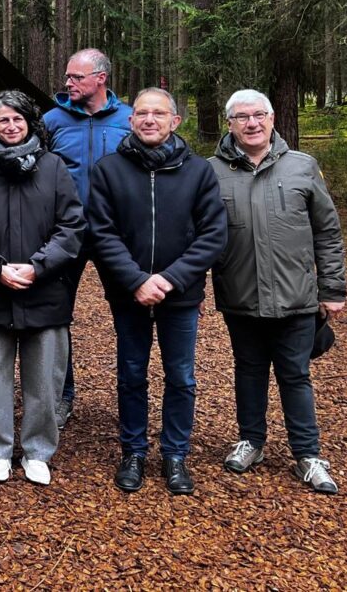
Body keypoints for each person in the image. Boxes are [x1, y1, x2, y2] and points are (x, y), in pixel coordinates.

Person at [87, 88, 227, 495]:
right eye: (142, 113)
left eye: (159, 113)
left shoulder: (198, 171)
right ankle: (133, 451)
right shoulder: (108, 170)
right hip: (128, 294)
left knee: (181, 376)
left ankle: (175, 454)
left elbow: (213, 234)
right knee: (131, 374)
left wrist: (169, 279)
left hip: (179, 295)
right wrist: (136, 280)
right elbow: (101, 232)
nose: (150, 120)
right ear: (130, 120)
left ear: (174, 121)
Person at [210, 90, 347, 494]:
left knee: (295, 374)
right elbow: (200, 236)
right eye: (242, 117)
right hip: (240, 294)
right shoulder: (211, 172)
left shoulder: (302, 166)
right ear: (230, 124)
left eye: (259, 115)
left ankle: (307, 454)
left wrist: (332, 287)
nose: (251, 123)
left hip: (296, 296)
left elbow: (327, 232)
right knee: (248, 370)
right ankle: (251, 442)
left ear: (272, 119)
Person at [0, 91, 84, 486]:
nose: (11, 126)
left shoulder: (53, 167)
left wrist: (38, 267)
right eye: (3, 120)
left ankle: (38, 451)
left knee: (45, 379)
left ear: (31, 124)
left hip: (45, 289)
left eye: (18, 119)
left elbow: (71, 226)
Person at [42, 48, 134, 429]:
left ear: (101, 78)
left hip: (116, 234)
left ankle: (130, 397)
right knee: (55, 316)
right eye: (68, 76)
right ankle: (62, 396)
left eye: (76, 77)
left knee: (129, 318)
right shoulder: (51, 121)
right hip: (67, 233)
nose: (68, 83)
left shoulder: (130, 119)